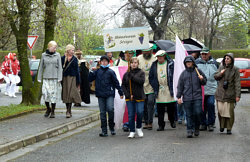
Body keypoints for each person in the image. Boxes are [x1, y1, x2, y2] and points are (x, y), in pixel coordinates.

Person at [89, 55, 123, 137]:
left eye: (106, 61)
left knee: (110, 109)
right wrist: (90, 71)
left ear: (108, 62)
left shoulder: (111, 72)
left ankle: (111, 126)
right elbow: (89, 79)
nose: (104, 63)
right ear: (100, 62)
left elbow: (116, 83)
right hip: (100, 94)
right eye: (102, 61)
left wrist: (120, 92)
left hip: (109, 94)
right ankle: (104, 130)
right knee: (102, 113)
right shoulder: (97, 72)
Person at [177, 55, 207, 138]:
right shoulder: (183, 74)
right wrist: (179, 97)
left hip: (197, 97)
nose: (188, 63)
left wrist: (202, 79)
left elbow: (204, 82)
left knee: (198, 113)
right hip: (187, 97)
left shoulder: (198, 71)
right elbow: (180, 86)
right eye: (187, 62)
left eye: (189, 62)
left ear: (193, 62)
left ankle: (196, 127)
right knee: (189, 114)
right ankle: (189, 130)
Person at [149, 50, 176, 131]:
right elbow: (151, 77)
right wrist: (154, 85)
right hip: (159, 89)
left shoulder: (170, 64)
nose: (159, 58)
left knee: (171, 108)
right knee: (160, 109)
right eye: (158, 57)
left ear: (164, 56)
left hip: (169, 88)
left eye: (161, 56)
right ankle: (161, 125)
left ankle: (172, 120)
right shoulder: (154, 65)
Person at [214, 53, 241, 135]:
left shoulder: (235, 69)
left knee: (229, 112)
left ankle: (229, 128)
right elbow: (215, 77)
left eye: (228, 58)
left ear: (231, 60)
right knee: (220, 111)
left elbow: (237, 83)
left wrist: (238, 95)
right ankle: (222, 126)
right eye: (225, 58)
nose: (226, 60)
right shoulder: (221, 67)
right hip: (220, 93)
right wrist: (221, 73)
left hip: (230, 94)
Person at [37, 41, 62, 118]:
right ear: (50, 47)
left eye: (55, 48)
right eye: (54, 47)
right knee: (45, 94)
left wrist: (59, 78)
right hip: (46, 78)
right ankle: (48, 108)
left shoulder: (57, 55)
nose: (55, 49)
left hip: (54, 78)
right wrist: (39, 77)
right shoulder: (43, 55)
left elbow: (60, 68)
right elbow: (41, 67)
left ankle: (53, 111)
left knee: (53, 96)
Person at [196, 47, 218, 131]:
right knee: (202, 107)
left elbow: (217, 75)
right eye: (202, 54)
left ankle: (211, 123)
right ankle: (203, 123)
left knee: (210, 104)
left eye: (205, 53)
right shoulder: (197, 62)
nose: (204, 55)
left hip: (212, 88)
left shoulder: (214, 63)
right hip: (201, 89)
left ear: (209, 53)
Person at [122, 57, 145, 138]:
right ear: (130, 64)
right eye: (132, 63)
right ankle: (132, 130)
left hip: (139, 96)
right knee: (131, 114)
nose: (133, 64)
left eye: (135, 62)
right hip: (130, 97)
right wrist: (127, 94)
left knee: (140, 112)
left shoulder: (141, 72)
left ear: (138, 64)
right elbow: (123, 85)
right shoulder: (126, 74)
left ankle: (138, 127)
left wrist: (132, 76)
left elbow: (141, 81)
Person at [137, 43, 156, 130]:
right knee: (144, 104)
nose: (146, 52)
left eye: (148, 51)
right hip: (141, 85)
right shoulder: (138, 58)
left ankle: (150, 122)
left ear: (151, 51)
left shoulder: (155, 58)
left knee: (150, 102)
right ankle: (146, 121)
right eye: (145, 51)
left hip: (151, 84)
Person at [61, 44, 82, 118]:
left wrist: (78, 81)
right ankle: (67, 110)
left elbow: (77, 70)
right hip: (65, 78)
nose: (73, 52)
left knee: (71, 94)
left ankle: (69, 110)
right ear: (68, 50)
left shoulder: (75, 59)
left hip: (73, 78)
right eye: (72, 50)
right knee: (66, 94)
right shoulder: (63, 58)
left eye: (73, 50)